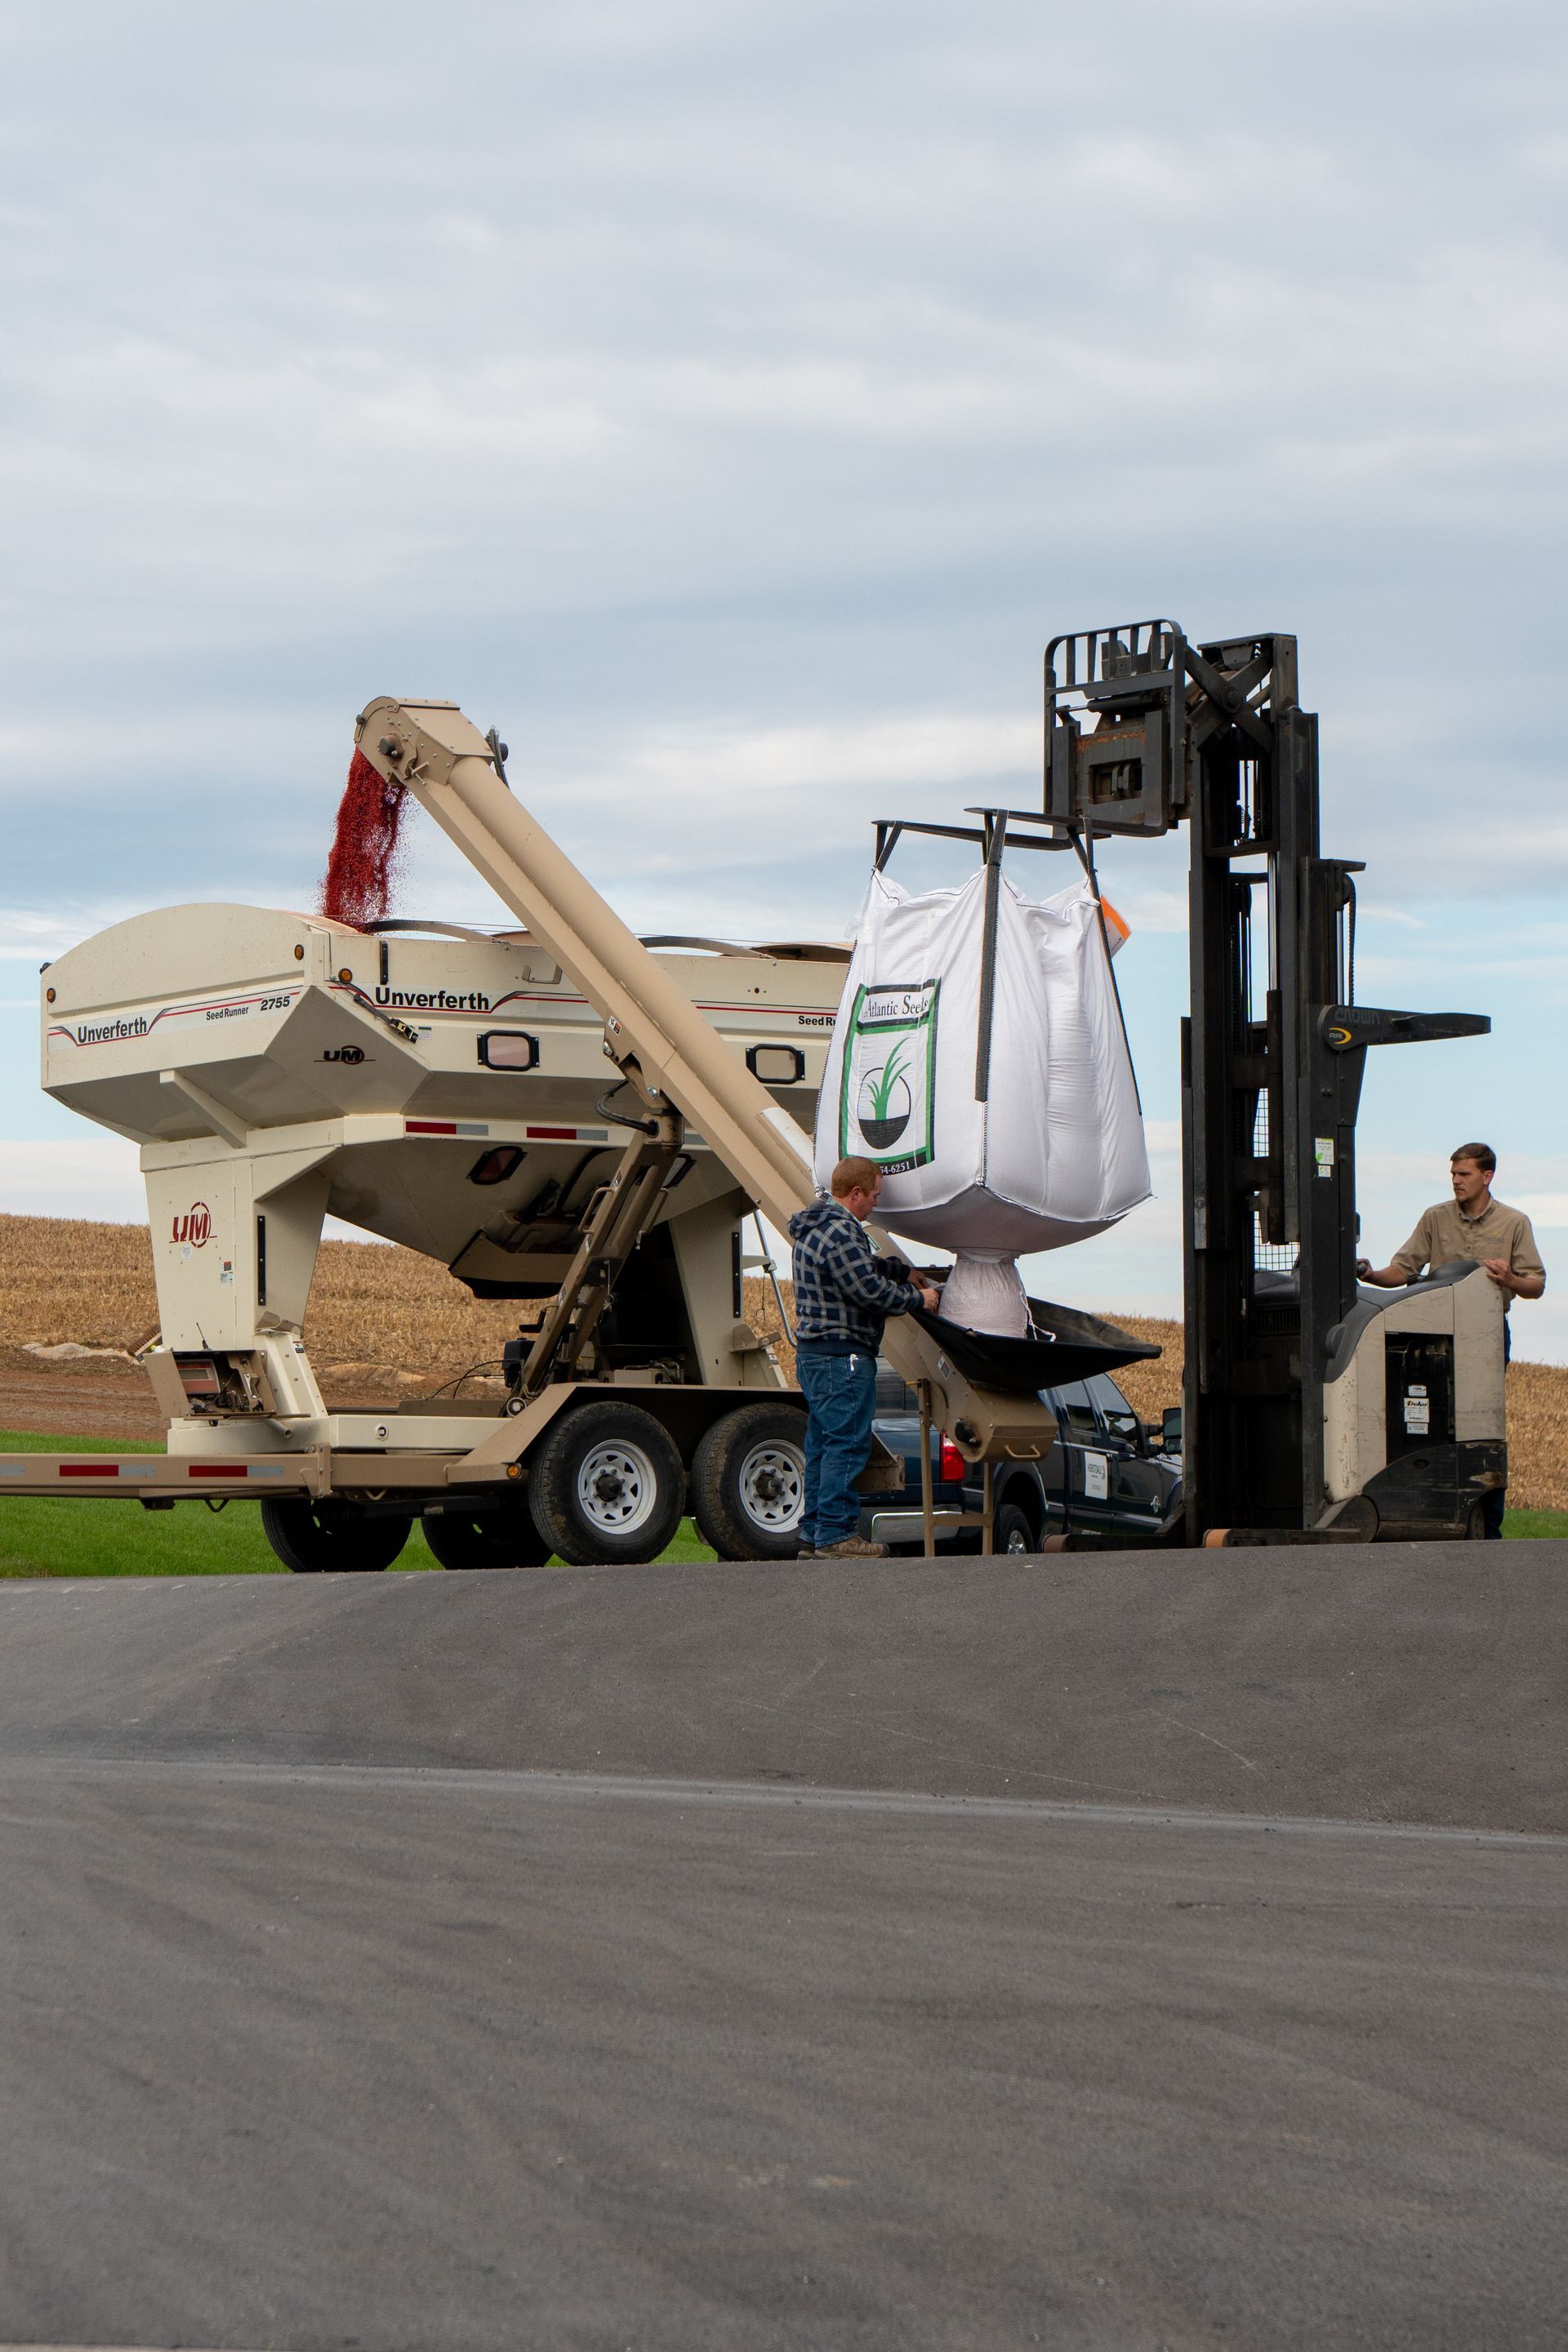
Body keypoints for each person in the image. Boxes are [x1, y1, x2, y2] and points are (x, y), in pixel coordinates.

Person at [1357, 1142, 1545, 1539]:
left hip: (1486, 1338)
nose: (1456, 1182)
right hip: (1431, 1338)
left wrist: (1510, 1280)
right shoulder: (1435, 1217)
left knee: (1479, 1427)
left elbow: (1536, 1286)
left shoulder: (1514, 1222)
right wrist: (1372, 1275)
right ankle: (1420, 1514)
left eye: (1464, 1175)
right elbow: (1402, 1270)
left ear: (1487, 1176)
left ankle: (1486, 1529)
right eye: (1453, 1175)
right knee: (1422, 1422)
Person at [788, 1156, 940, 1559]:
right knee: (847, 1445)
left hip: (815, 1357)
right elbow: (869, 1292)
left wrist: (899, 1270)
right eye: (873, 1196)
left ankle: (814, 1532)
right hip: (844, 1358)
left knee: (822, 1444)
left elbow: (860, 1268)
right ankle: (837, 1536)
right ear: (854, 1193)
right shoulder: (842, 1232)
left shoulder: (816, 1228)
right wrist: (918, 1298)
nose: (875, 1203)